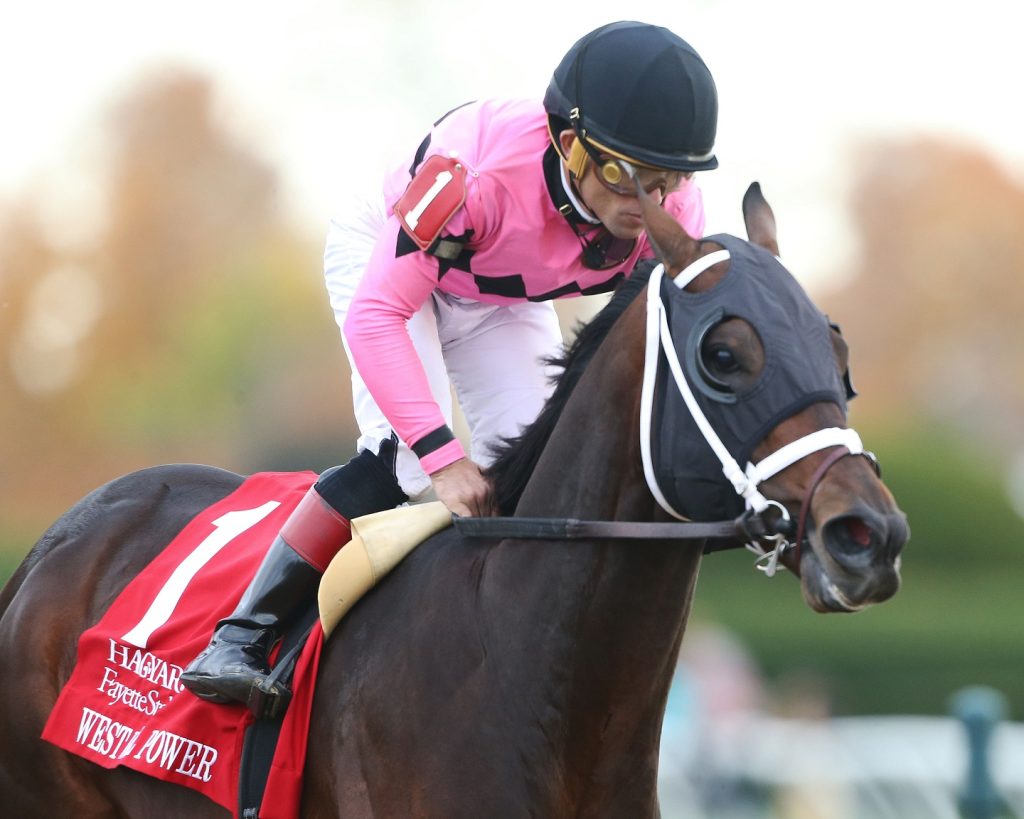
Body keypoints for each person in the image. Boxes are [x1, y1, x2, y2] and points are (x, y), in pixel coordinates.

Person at [181, 20, 719, 712]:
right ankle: (239, 635)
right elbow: (378, 314)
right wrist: (444, 459)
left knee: (544, 465)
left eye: (665, 180)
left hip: (503, 294)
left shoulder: (676, 211)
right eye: (623, 174)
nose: (645, 202)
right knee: (404, 462)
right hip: (392, 268)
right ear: (568, 144)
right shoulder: (472, 178)